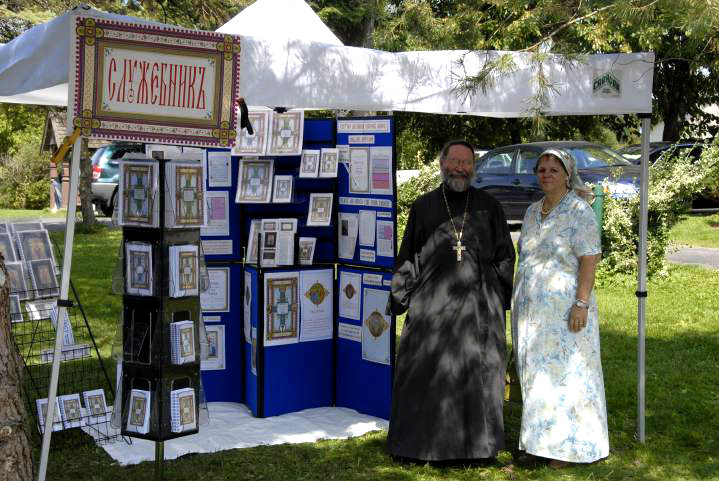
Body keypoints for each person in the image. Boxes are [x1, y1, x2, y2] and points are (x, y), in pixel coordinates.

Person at [387, 139, 515, 462]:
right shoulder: (424, 206)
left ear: (474, 167)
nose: (460, 168)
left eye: (466, 163)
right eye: (454, 161)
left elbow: (505, 256)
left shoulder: (489, 207)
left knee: (477, 370)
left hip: (478, 304)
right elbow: (409, 254)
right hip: (433, 301)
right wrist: (401, 294)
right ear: (442, 164)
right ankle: (422, 446)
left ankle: (477, 447)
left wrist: (499, 296)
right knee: (426, 367)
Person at [511, 148, 609, 468]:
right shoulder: (531, 211)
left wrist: (581, 303)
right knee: (536, 376)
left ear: (567, 175)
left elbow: (589, 259)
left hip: (565, 309)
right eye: (542, 169)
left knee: (567, 375)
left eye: (554, 169)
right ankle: (539, 443)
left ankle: (567, 448)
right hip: (531, 311)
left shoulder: (579, 210)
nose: (546, 174)